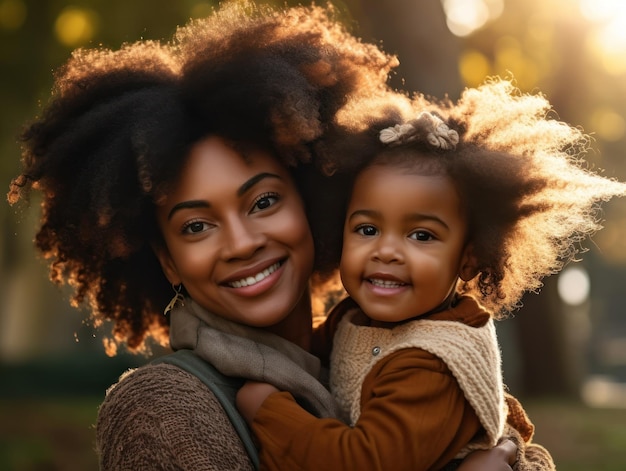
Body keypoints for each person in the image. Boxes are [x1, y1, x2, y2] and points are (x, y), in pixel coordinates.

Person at [8, 2, 523, 469]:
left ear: (313, 205)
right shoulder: (161, 411)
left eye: (264, 202)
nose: (241, 243)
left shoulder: (375, 342)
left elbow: (509, 436)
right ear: (168, 261)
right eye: (196, 226)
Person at [236, 79, 626, 470]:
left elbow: (358, 462)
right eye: (367, 229)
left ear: (469, 260)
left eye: (421, 235)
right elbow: (302, 356)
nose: (386, 251)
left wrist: (266, 408)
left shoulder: (431, 364)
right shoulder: (355, 318)